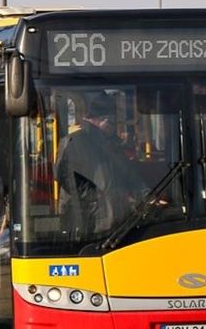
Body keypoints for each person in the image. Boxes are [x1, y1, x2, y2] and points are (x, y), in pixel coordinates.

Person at [55, 93, 145, 237]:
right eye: (111, 122)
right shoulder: (75, 141)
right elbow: (66, 177)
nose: (114, 128)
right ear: (99, 120)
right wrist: (95, 198)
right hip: (91, 223)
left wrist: (145, 193)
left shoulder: (110, 143)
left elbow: (127, 174)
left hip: (115, 220)